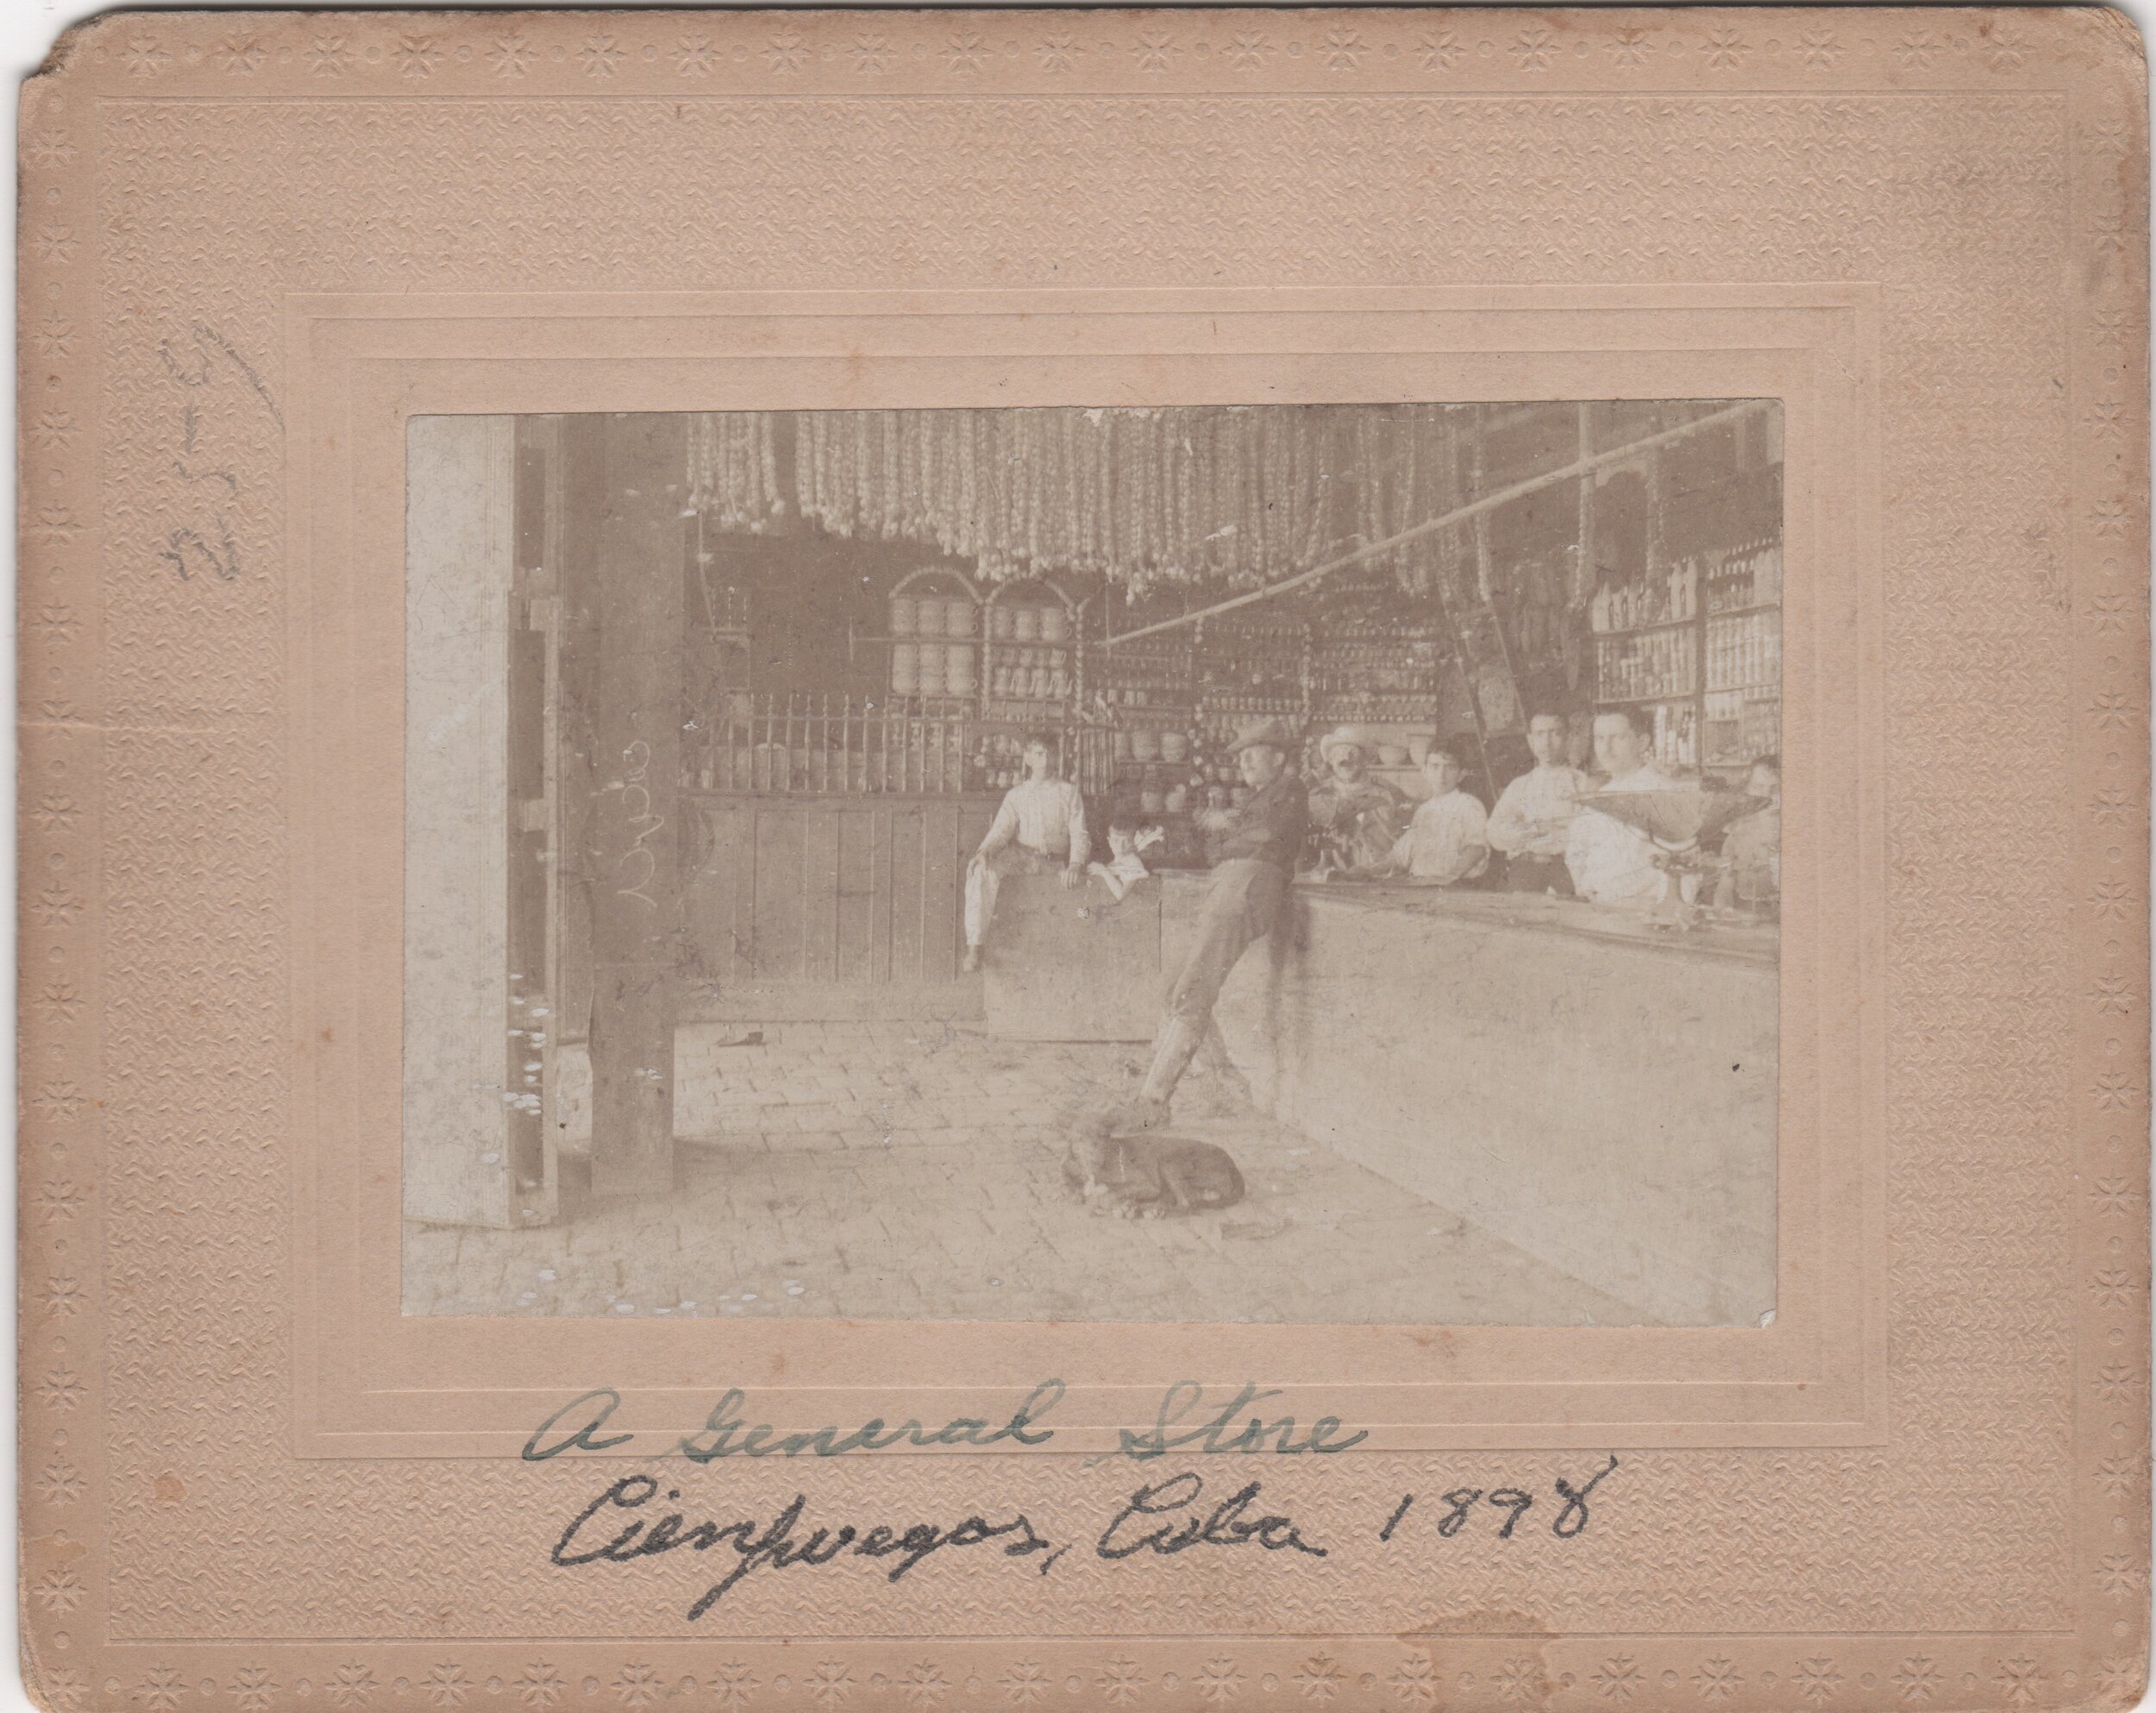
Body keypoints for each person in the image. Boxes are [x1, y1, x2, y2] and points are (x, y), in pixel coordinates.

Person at [1133, 718, 1309, 1114]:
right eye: (1240, 756)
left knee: (1190, 991)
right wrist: (1229, 836)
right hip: (1228, 884)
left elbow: (1265, 838)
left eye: (1253, 754)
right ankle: (1225, 1080)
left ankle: (1151, 1105)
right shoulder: (1260, 796)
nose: (1244, 762)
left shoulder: (1290, 790)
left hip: (1249, 886)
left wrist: (1226, 834)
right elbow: (1222, 849)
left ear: (1279, 758)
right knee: (1173, 987)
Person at [962, 733, 1087, 971]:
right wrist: (984, 852)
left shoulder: (1069, 792)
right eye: (1039, 754)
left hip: (1054, 863)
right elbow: (1001, 830)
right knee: (980, 869)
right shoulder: (1017, 795)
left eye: (1051, 754)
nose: (1046, 760)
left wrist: (1075, 864)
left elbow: (1080, 832)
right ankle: (975, 948)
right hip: (1021, 859)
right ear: (1027, 758)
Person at [1564, 709, 1684, 906]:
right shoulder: (1598, 797)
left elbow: (1682, 865)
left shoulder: (1663, 791)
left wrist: (1666, 913)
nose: (1606, 748)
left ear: (1642, 742)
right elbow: (1576, 851)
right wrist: (1584, 887)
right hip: (1598, 907)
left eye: (1618, 737)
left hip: (1644, 910)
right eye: (1600, 738)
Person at [1487, 711, 1595, 894]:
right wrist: (1536, 829)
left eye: (1555, 733)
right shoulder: (1519, 785)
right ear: (1530, 741)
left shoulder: (1582, 783)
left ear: (1568, 738)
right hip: (1525, 870)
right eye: (1540, 734)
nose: (1546, 742)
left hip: (1566, 870)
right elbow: (1494, 832)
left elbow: (1590, 833)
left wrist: (1530, 826)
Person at [1354, 744, 1489, 884]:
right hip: (1422, 885)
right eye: (1435, 767)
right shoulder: (1423, 810)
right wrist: (1368, 871)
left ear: (1461, 775)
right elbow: (1400, 855)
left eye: (1450, 767)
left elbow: (1477, 848)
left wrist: (1450, 877)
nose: (1441, 775)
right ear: (1425, 772)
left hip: (1455, 887)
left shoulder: (1469, 804)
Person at [1306, 725, 1407, 872]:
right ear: (1331, 760)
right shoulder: (1319, 793)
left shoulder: (1386, 793)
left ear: (1365, 760)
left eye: (1352, 752)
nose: (1346, 759)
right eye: (1339, 753)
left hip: (1375, 873)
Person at [1718, 754, 1781, 907]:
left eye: (1775, 789)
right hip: (1746, 911)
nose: (1766, 795)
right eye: (1758, 787)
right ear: (1747, 789)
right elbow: (1726, 880)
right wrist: (1721, 912)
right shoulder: (1739, 827)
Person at [1087, 816, 1164, 902]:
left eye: (1126, 841)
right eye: (1116, 840)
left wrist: (1104, 872)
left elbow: (1121, 896)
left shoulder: (1133, 863)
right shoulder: (1112, 863)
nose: (1120, 847)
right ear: (1109, 841)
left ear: (1132, 842)